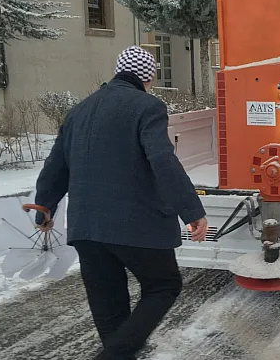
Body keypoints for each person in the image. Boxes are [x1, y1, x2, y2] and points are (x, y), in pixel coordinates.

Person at [34, 45, 209, 360]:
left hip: (86, 227)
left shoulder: (79, 110)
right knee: (163, 285)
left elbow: (55, 167)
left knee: (110, 308)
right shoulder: (147, 107)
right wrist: (191, 211)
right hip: (135, 225)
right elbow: (162, 160)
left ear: (119, 72)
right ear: (148, 78)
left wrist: (44, 209)